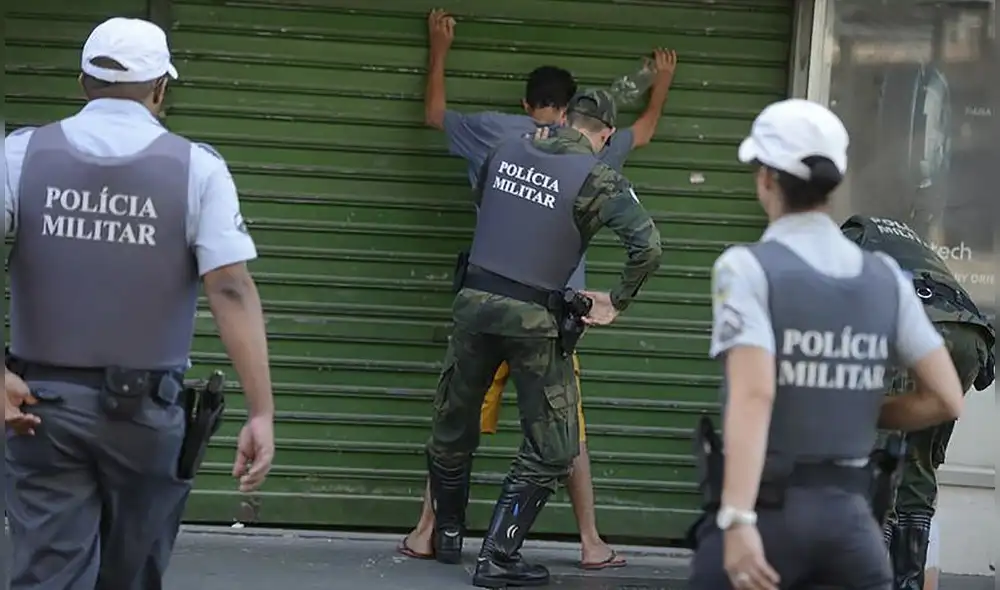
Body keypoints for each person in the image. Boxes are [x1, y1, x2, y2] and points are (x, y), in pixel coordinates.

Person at [3, 17, 275, 590]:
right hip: (148, 414)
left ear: (83, 82)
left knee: (49, 573)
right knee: (132, 573)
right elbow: (229, 287)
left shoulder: (20, 156)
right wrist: (261, 411)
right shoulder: (197, 168)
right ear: (159, 90)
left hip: (38, 409)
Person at [400, 8, 676, 570]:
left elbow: (486, 196)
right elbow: (648, 248)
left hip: (475, 307)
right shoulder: (598, 174)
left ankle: (443, 535)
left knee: (453, 428)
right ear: (601, 134)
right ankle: (500, 555)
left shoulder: (501, 147)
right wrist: (615, 301)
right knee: (556, 443)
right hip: (537, 322)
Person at [687, 99, 966, 590]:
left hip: (767, 516)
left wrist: (735, 519)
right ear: (833, 185)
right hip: (852, 529)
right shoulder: (886, 277)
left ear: (766, 179)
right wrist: (857, 407)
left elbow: (755, 395)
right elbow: (945, 398)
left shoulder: (746, 267)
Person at [841, 214, 995, 590]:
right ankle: (907, 582)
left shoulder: (850, 237)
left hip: (920, 327)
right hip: (970, 334)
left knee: (881, 460)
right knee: (918, 464)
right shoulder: (906, 242)